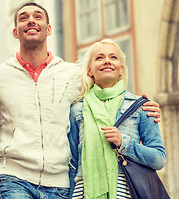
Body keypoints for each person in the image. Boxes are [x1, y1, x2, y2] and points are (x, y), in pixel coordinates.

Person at [0, 2, 162, 199]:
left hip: (58, 182)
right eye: (23, 18)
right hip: (13, 175)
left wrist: (144, 107)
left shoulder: (72, 74)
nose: (31, 20)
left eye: (38, 16)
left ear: (49, 29)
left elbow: (107, 93)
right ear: (15, 32)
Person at [69, 39, 167, 198]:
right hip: (83, 192)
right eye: (99, 58)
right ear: (89, 71)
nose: (107, 60)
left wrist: (124, 142)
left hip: (126, 191)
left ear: (121, 69)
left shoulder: (141, 106)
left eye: (113, 57)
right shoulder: (77, 109)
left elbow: (159, 158)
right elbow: (72, 163)